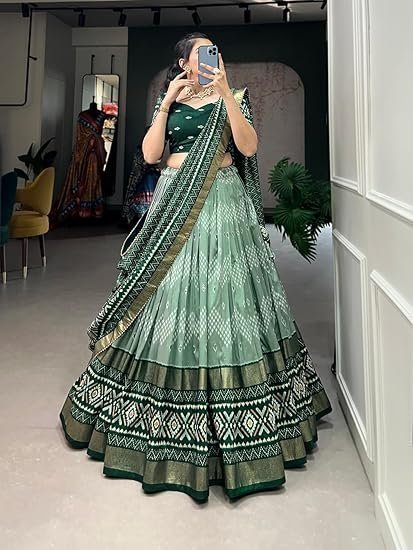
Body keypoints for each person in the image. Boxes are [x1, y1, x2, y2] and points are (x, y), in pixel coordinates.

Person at [59, 32, 332, 502]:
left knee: (228, 298)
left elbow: (248, 148)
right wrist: (166, 102)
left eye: (214, 52)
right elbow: (150, 155)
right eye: (202, 52)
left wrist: (225, 94)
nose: (211, 58)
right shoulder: (171, 99)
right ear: (184, 61)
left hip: (222, 201)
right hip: (174, 200)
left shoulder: (235, 97)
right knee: (169, 294)